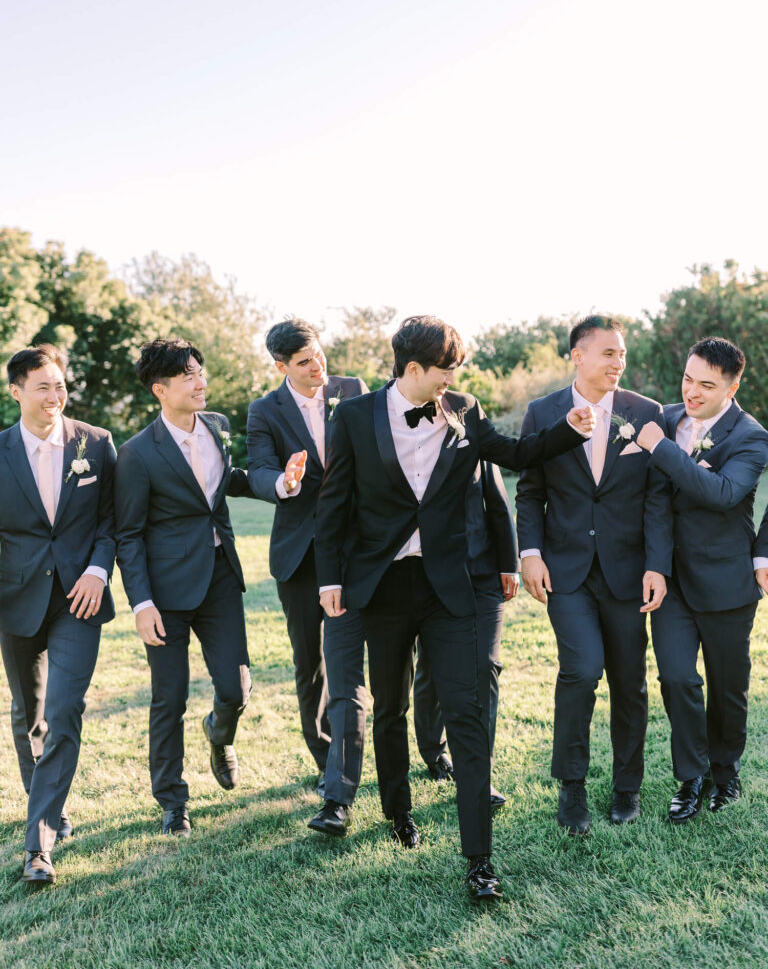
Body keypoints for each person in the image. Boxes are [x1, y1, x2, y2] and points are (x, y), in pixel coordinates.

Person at [315, 315, 594, 900]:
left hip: (452, 586)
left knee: (466, 713)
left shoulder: (462, 408)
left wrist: (569, 430)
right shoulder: (355, 417)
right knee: (389, 707)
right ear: (413, 368)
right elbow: (333, 503)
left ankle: (480, 862)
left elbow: (516, 453)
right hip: (383, 587)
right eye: (445, 370)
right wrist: (330, 579)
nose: (453, 379)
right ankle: (398, 810)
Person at [516, 315, 672, 836]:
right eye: (608, 353)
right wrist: (530, 552)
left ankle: (627, 787)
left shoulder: (645, 413)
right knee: (581, 672)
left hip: (628, 571)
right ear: (577, 356)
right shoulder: (542, 412)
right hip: (567, 570)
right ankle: (572, 787)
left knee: (629, 680)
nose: (618, 362)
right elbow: (529, 492)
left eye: (621, 353)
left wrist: (656, 564)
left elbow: (657, 497)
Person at [114, 338, 254, 838]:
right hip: (165, 593)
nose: (200, 382)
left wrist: (279, 484)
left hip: (220, 576)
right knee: (168, 699)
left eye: (199, 372)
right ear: (160, 389)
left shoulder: (217, 426)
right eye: (187, 376)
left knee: (235, 688)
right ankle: (173, 801)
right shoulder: (136, 454)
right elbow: (128, 534)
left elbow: (225, 481)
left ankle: (219, 732)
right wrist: (142, 603)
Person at [636, 337, 768, 821]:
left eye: (706, 386)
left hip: (726, 581)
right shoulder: (667, 418)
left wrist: (661, 449)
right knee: (676, 678)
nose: (691, 392)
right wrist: (655, 565)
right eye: (688, 379)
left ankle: (726, 771)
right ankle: (691, 775)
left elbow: (723, 493)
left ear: (732, 388)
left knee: (727, 685)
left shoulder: (752, 437)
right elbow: (656, 500)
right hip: (670, 582)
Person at [0, 344, 116, 884]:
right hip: (16, 597)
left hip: (79, 597)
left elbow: (112, 520)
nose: (54, 395)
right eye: (42, 386)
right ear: (16, 391)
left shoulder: (96, 443)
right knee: (29, 715)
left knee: (64, 709)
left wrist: (98, 569)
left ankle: (38, 847)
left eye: (60, 385)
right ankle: (48, 803)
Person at [246, 319, 367, 832]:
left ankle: (349, 765)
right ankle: (324, 757)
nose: (317, 366)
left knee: (354, 662)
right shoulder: (264, 410)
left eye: (318, 355)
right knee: (309, 661)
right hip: (299, 555)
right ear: (280, 366)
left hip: (356, 549)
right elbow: (257, 469)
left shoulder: (353, 390)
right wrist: (284, 481)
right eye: (303, 362)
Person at [413, 459, 518, 807]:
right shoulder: (405, 438)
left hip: (483, 575)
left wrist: (509, 564)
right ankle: (432, 749)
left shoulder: (473, 434)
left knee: (484, 665)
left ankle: (478, 776)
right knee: (432, 667)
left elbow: (498, 502)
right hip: (430, 579)